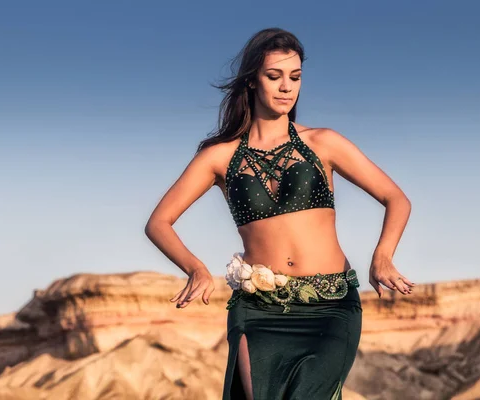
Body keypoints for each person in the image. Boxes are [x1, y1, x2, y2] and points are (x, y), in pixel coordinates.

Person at [144, 27, 415, 400]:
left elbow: (395, 198)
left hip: (331, 307)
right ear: (252, 81)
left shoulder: (324, 143)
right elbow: (158, 222)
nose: (287, 87)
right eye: (274, 76)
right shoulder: (218, 158)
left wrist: (382, 257)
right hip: (257, 311)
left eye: (295, 77)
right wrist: (195, 268)